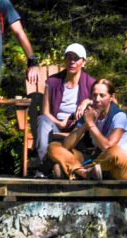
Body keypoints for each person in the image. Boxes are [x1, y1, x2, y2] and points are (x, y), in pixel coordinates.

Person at [46, 79, 127, 181]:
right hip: (98, 164)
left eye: (102, 95)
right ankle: (84, 173)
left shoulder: (120, 116)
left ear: (111, 97)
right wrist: (85, 124)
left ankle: (77, 171)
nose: (97, 99)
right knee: (54, 146)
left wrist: (90, 123)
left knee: (115, 151)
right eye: (94, 95)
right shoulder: (89, 113)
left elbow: (107, 147)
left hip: (122, 168)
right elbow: (67, 145)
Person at [34, 43, 94, 175]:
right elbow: (45, 112)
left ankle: (45, 170)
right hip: (55, 124)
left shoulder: (90, 83)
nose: (71, 61)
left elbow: (108, 101)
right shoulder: (53, 82)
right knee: (42, 120)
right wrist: (59, 123)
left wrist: (87, 101)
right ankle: (45, 163)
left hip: (78, 128)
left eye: (76, 58)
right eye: (68, 57)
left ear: (83, 62)